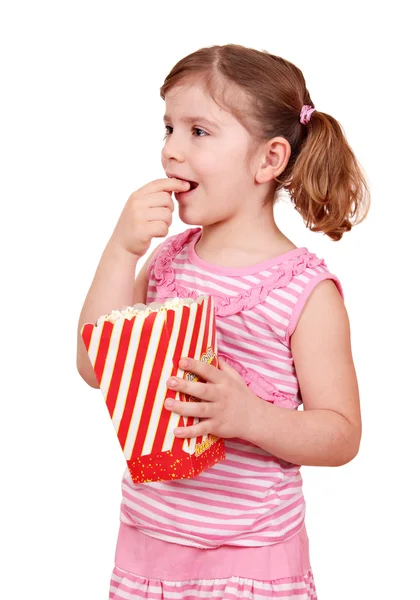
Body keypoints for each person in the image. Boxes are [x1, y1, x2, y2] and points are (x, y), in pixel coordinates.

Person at [76, 43, 370, 600]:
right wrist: (121, 250)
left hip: (253, 561)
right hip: (148, 548)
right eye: (167, 129)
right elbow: (96, 366)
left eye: (199, 132)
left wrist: (248, 416)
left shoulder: (303, 291)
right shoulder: (167, 263)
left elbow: (342, 435)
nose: (170, 153)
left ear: (269, 160)